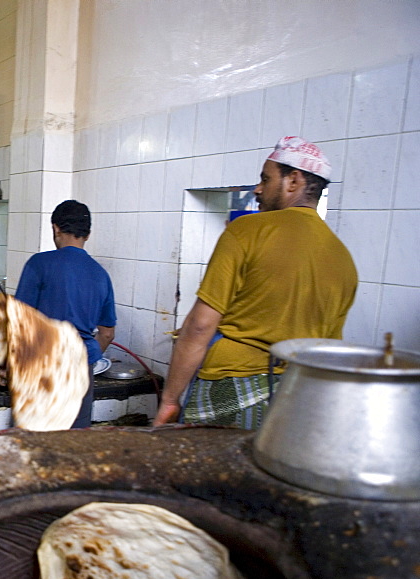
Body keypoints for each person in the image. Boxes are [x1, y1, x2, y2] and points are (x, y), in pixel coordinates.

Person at [153, 136, 357, 429]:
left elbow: (200, 325)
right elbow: (327, 349)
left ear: (293, 180)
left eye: (265, 179)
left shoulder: (248, 230)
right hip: (294, 398)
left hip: (229, 387)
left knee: (209, 473)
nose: (258, 189)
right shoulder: (342, 257)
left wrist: (171, 399)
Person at [14, 199, 117, 427]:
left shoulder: (39, 263)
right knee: (74, 441)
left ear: (55, 228)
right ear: (87, 234)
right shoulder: (101, 274)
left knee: (34, 440)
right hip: (82, 368)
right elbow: (107, 333)